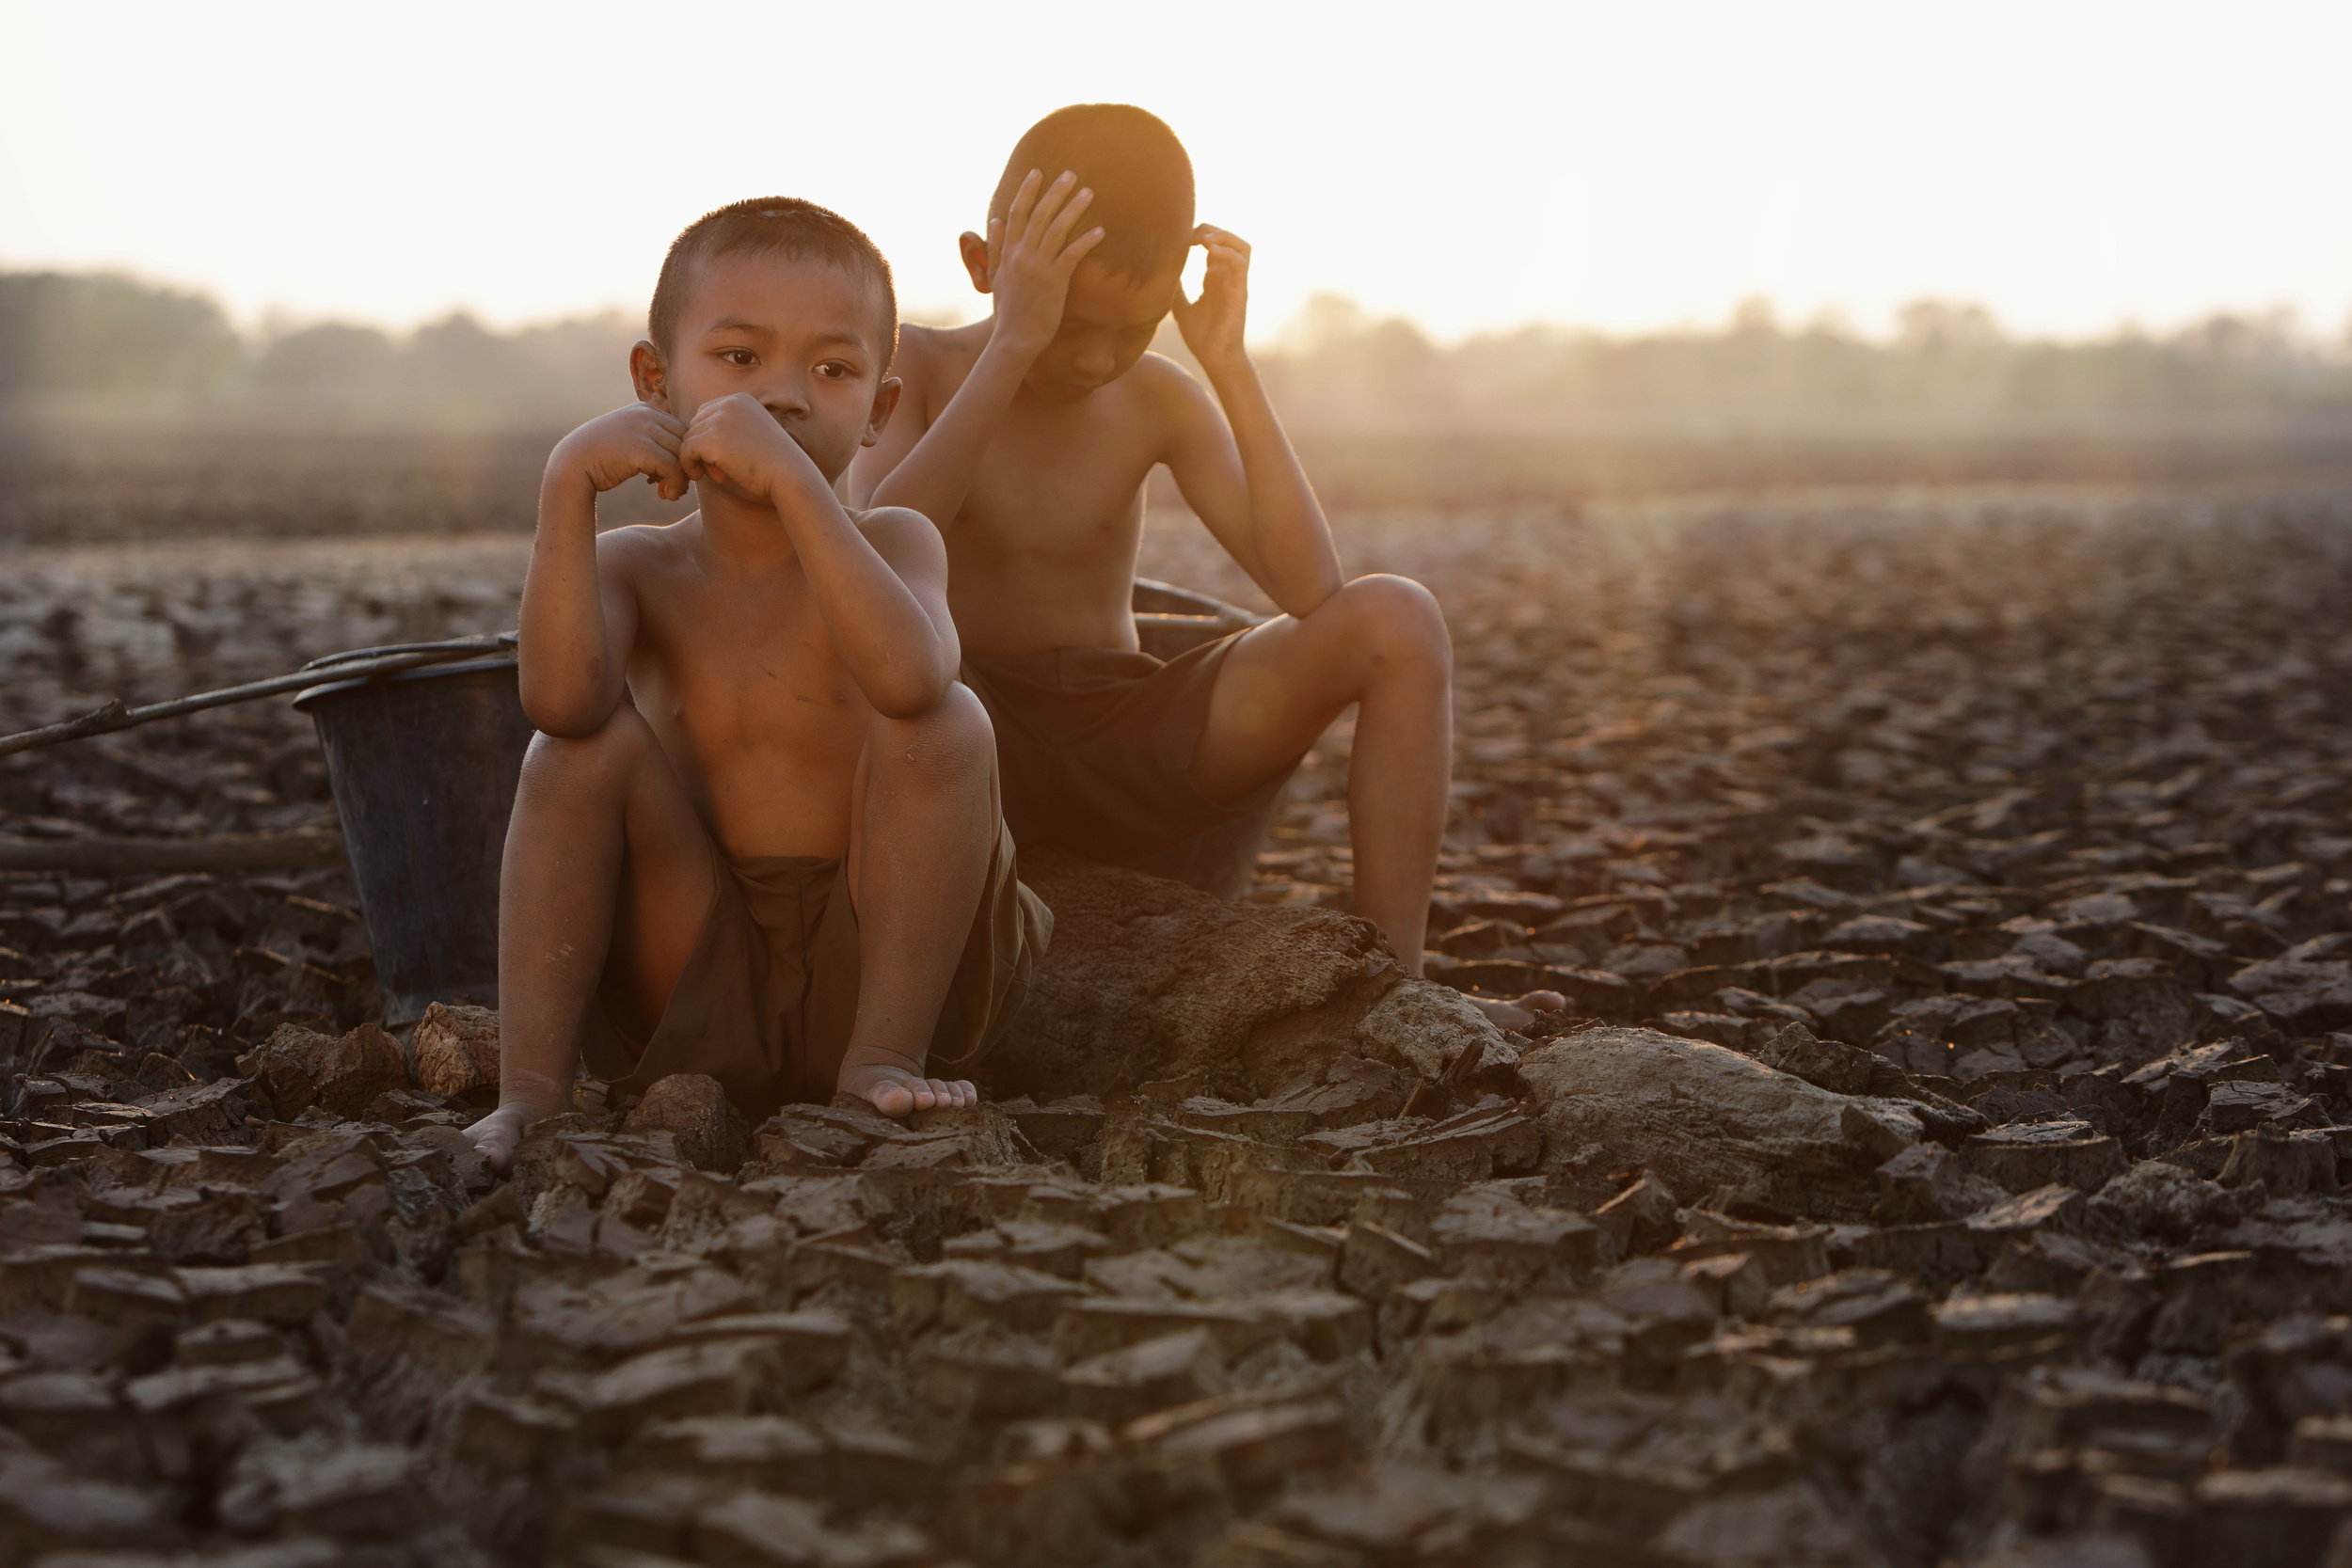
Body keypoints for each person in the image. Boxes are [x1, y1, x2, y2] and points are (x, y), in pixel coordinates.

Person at [850, 104, 1558, 1026]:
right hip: (975, 737)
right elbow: (878, 551)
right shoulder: (918, 368)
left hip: (1127, 732)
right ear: (988, 269)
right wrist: (1014, 343)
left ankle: (1401, 987)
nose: (1101, 357)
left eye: (1137, 325)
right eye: (1071, 323)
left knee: (1397, 618)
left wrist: (1226, 364)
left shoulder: (1158, 398)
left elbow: (1310, 589)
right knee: (855, 661)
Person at [466, 198, 1050, 1170]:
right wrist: (567, 485)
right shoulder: (634, 569)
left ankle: (880, 1061)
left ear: (879, 412)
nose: (783, 395)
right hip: (696, 957)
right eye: (740, 359)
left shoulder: (897, 540)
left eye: (831, 370)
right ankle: (529, 1091)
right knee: (577, 749)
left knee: (945, 722)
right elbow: (559, 704)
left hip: (882, 951)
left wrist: (793, 486)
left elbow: (909, 677)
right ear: (656, 381)